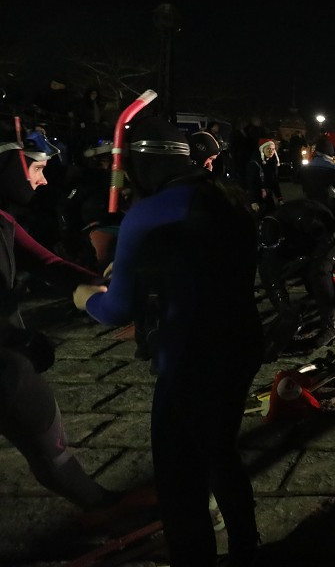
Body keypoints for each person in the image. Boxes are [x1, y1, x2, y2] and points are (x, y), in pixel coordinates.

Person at [76, 117, 262, 566]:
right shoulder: (230, 197)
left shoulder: (151, 212)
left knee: (180, 475)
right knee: (221, 449)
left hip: (190, 354)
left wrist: (86, 299)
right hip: (242, 340)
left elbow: (117, 308)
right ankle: (245, 546)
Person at [0, 127, 114, 510]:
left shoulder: (3, 220)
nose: (44, 179)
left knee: (48, 446)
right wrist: (20, 341)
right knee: (47, 445)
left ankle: (101, 507)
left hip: (10, 356)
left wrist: (98, 280)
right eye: (37, 169)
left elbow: (46, 261)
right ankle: (104, 510)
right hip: (7, 361)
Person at [258, 198, 335, 356]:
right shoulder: (267, 226)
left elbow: (324, 243)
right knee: (268, 267)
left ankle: (329, 327)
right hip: (300, 240)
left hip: (330, 235)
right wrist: (284, 310)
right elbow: (267, 265)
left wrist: (302, 260)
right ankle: (287, 313)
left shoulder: (306, 220)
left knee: (319, 271)